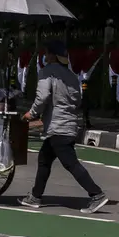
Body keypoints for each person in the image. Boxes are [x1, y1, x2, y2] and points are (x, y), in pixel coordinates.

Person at [20, 41, 108, 214]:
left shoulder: (47, 73)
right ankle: (35, 196)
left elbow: (43, 96)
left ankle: (96, 194)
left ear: (53, 55)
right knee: (44, 160)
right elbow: (76, 100)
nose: (45, 56)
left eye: (47, 53)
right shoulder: (71, 75)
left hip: (57, 127)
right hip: (68, 124)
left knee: (71, 163)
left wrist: (32, 113)